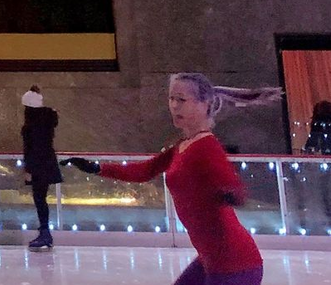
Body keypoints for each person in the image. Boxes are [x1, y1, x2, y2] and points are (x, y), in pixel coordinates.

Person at [63, 72, 280, 285]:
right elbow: (145, 170)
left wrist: (230, 193)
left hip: (234, 265)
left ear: (204, 104)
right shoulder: (184, 145)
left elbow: (234, 187)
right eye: (172, 99)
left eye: (182, 100)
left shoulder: (207, 147)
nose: (174, 106)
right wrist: (97, 168)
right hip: (212, 260)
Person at [20, 86, 61, 250]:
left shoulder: (31, 126)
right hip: (48, 163)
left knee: (39, 199)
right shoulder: (47, 120)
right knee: (41, 198)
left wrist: (28, 169)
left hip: (38, 166)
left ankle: (45, 232)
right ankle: (45, 232)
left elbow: (30, 148)